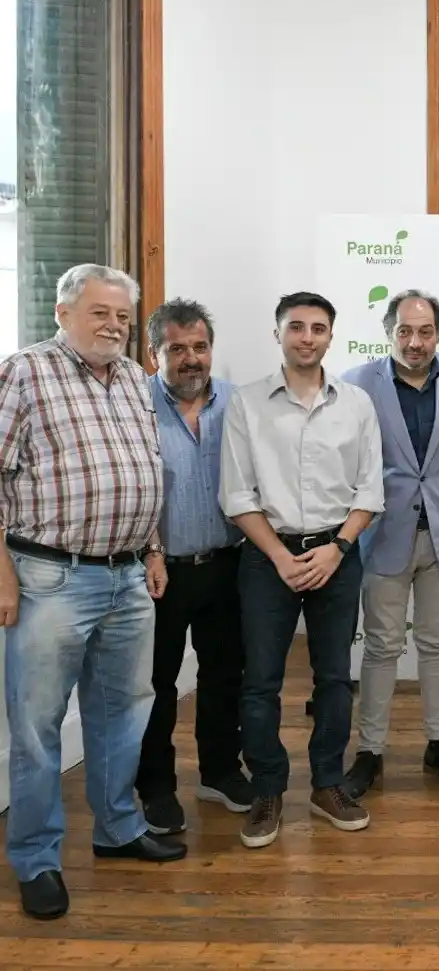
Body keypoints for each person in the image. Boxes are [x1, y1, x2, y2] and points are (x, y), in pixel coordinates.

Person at [0, 264, 184, 921]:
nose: (113, 326)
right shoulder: (26, 369)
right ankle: (37, 858)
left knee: (124, 711)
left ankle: (117, 828)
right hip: (49, 575)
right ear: (63, 311)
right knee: (37, 725)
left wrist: (154, 549)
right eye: (100, 312)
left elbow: (146, 470)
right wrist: (2, 572)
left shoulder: (136, 378)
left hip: (129, 573)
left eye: (123, 317)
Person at [220, 291, 385, 849]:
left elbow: (369, 489)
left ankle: (328, 783)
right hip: (269, 558)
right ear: (278, 335)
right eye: (296, 327)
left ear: (331, 337)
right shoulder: (246, 403)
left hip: (338, 554)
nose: (307, 337)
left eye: (318, 328)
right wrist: (281, 557)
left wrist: (337, 547)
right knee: (261, 681)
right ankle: (268, 789)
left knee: (334, 679)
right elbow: (237, 495)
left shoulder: (357, 404)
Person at [341, 290, 439, 799]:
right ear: (389, 332)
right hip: (383, 533)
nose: (415, 341)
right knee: (381, 645)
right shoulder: (357, 383)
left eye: (425, 332)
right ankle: (370, 751)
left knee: (438, 641)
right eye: (404, 331)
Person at [136, 299, 252, 837]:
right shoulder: (133, 406)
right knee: (156, 684)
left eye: (200, 347)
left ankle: (220, 771)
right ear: (153, 352)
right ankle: (156, 786)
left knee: (225, 674)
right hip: (156, 571)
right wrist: (151, 550)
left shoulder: (238, 404)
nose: (191, 359)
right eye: (177, 349)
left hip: (227, 564)